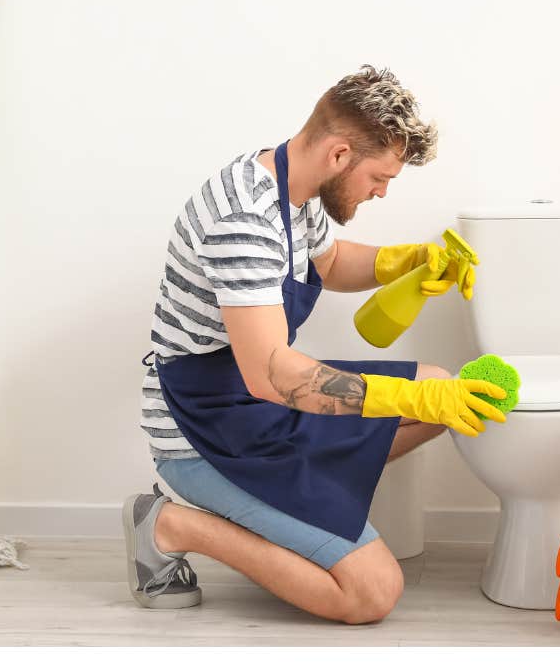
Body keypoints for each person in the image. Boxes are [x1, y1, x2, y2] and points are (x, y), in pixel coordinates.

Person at [122, 64, 508, 623]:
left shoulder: (292, 191)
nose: (381, 191)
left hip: (252, 402)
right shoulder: (244, 219)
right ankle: (170, 524)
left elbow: (328, 263)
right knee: (371, 593)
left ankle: (300, 504)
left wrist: (409, 260)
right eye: (380, 177)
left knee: (440, 387)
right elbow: (271, 374)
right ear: (339, 154)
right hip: (204, 432)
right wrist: (406, 399)